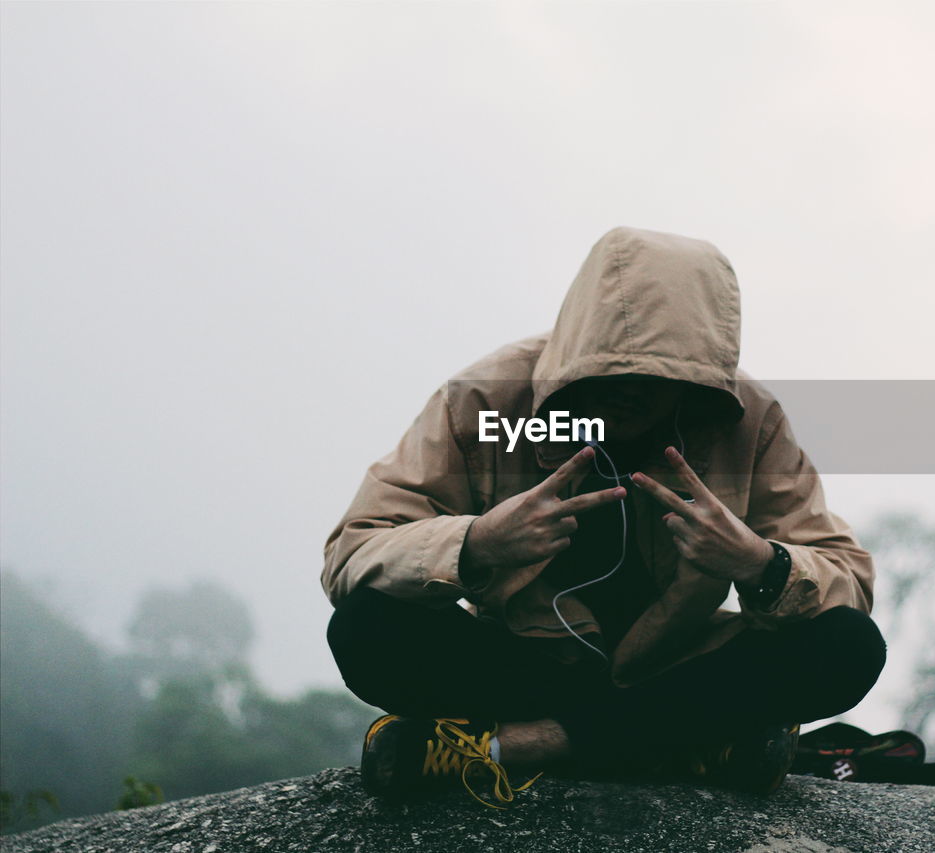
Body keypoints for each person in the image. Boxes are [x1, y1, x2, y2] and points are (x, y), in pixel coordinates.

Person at [322, 225, 886, 809]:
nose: (630, 391)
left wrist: (759, 564)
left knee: (848, 645)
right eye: (612, 369)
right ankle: (683, 747)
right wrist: (478, 542)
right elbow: (353, 554)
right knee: (367, 624)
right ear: (579, 349)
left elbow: (846, 578)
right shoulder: (486, 400)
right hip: (528, 666)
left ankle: (519, 747)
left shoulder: (749, 421)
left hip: (681, 670)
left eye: (659, 376)